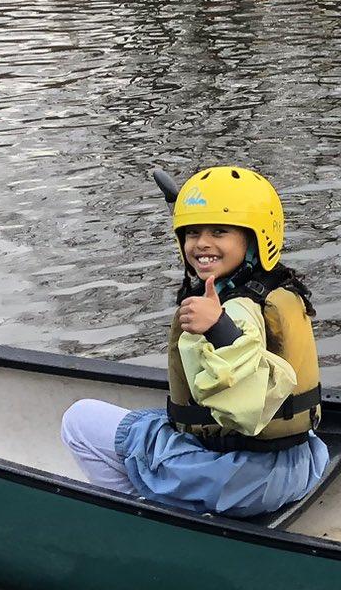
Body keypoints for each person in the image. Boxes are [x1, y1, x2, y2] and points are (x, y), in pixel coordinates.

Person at [61, 166, 327, 518]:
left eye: (219, 231)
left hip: (244, 479)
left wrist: (219, 328)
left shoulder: (235, 311)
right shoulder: (272, 287)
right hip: (299, 464)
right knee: (152, 419)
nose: (201, 243)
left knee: (79, 421)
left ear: (255, 238)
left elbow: (249, 403)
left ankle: (142, 512)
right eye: (192, 232)